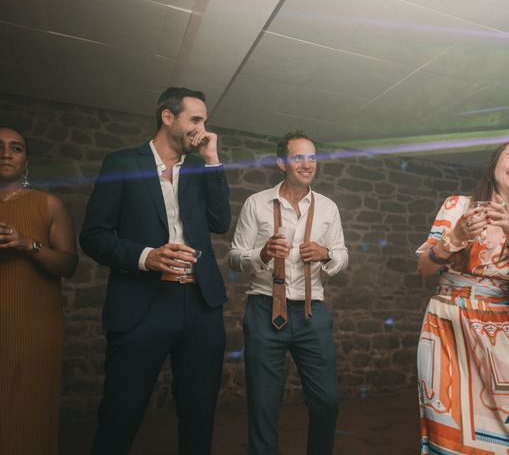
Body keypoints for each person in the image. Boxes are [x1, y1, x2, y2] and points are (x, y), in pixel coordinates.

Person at [79, 87, 230, 455]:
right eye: (195, 119)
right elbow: (93, 237)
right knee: (120, 416)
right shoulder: (122, 163)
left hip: (200, 307)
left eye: (205, 120)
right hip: (142, 306)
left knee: (198, 417)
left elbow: (220, 221)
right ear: (167, 117)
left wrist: (212, 159)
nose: (202, 127)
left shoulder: (199, 168)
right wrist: (147, 256)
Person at [415, 141, 509, 454]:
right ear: (495, 163)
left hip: (502, 333)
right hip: (446, 325)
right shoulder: (457, 206)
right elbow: (424, 268)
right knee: (453, 431)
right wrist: (452, 240)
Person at [229, 130, 348, 455]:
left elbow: (342, 255)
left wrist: (326, 254)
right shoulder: (257, 203)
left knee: (327, 401)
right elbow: (235, 256)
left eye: (312, 157)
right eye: (299, 157)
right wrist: (263, 253)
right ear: (282, 162)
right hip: (264, 311)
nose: (308, 163)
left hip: (312, 314)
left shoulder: (328, 208)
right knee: (263, 404)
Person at [0, 126, 78, 454]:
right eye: (0, 146)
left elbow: (68, 265)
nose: (6, 153)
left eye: (16, 148)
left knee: (29, 409)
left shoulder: (48, 204)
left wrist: (26, 243)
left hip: (33, 326)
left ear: (26, 159)